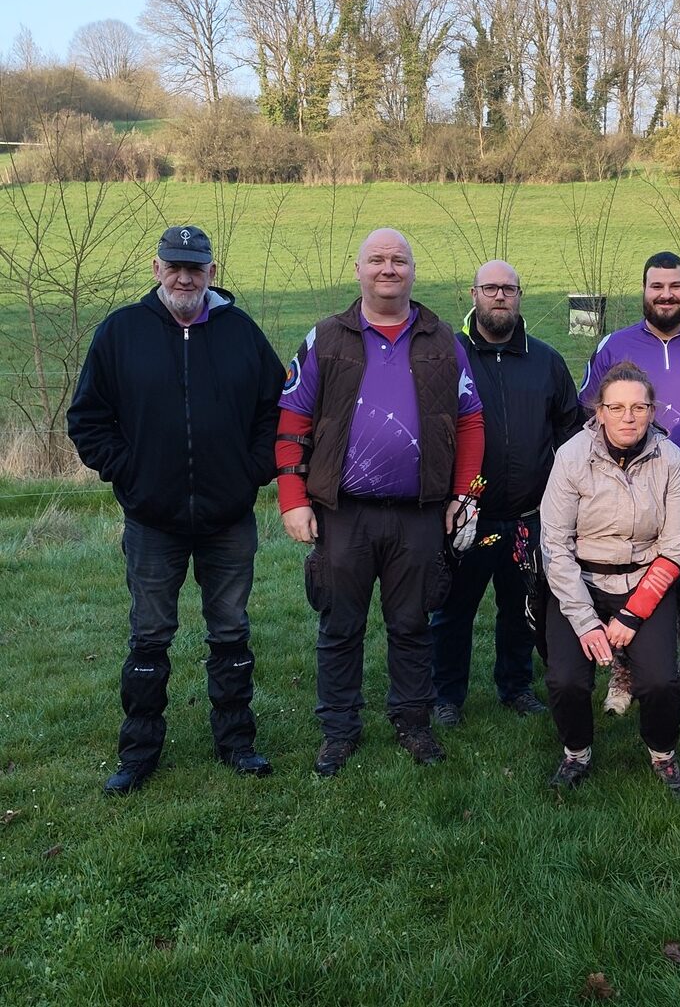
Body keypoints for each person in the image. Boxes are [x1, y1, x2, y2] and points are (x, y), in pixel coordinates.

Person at [67, 225, 284, 794]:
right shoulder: (120, 333)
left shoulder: (240, 333)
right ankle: (138, 753)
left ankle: (237, 742)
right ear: (156, 267)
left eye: (196, 267)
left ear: (212, 271)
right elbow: (88, 418)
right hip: (152, 520)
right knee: (149, 634)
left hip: (227, 518)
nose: (185, 276)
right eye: (174, 265)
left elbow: (275, 411)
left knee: (231, 630)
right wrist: (130, 473)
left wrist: (250, 472)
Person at [274, 227, 485, 777]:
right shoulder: (325, 338)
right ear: (359, 270)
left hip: (420, 512)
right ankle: (339, 730)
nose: (388, 268)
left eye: (398, 260)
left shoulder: (444, 342)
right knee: (339, 625)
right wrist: (293, 498)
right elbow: (292, 421)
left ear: (413, 271)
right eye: (377, 260)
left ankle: (412, 723)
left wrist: (464, 496)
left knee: (412, 624)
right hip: (343, 511)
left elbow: (471, 421)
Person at [578, 251, 680, 717]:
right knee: (629, 573)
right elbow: (588, 413)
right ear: (643, 291)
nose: (666, 295)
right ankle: (624, 671)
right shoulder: (614, 346)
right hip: (630, 484)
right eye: (657, 287)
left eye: (675, 286)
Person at [428, 260, 582, 727]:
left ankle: (515, 686)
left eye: (508, 289)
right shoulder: (447, 356)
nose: (499, 296)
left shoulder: (547, 361)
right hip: (467, 515)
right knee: (452, 611)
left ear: (520, 296)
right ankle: (445, 695)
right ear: (472, 294)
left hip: (526, 517)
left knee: (522, 607)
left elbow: (570, 431)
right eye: (490, 288)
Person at [540, 361, 680, 797]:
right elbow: (554, 544)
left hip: (645, 580)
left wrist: (632, 615)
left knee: (661, 682)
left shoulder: (671, 460)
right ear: (599, 411)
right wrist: (586, 622)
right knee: (566, 680)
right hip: (579, 581)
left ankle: (663, 753)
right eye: (617, 407)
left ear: (652, 410)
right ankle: (577, 752)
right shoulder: (571, 456)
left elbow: (677, 546)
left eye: (639, 407)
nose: (628, 417)